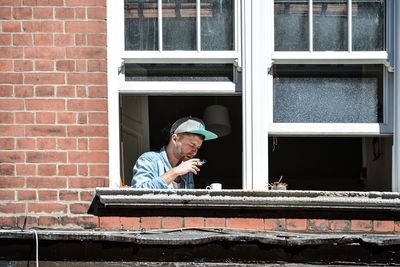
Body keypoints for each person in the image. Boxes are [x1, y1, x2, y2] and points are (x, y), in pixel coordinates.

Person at [131, 116, 218, 189]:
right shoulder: (149, 159)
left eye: (198, 148)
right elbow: (139, 193)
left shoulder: (187, 170)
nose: (195, 152)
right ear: (175, 139)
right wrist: (175, 171)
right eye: (192, 145)